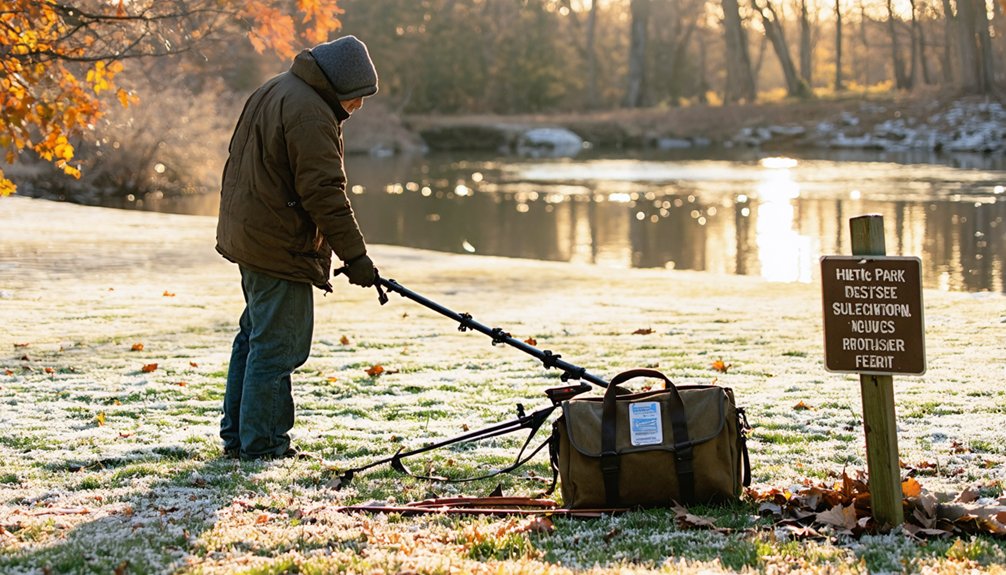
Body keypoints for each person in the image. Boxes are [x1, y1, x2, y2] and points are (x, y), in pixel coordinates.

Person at [215, 35, 379, 460]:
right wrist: (356, 258)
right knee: (278, 345)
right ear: (337, 86)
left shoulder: (276, 88)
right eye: (356, 97)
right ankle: (264, 444)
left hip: (252, 236)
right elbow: (324, 192)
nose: (358, 107)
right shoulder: (309, 112)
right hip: (276, 243)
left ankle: (239, 437)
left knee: (254, 338)